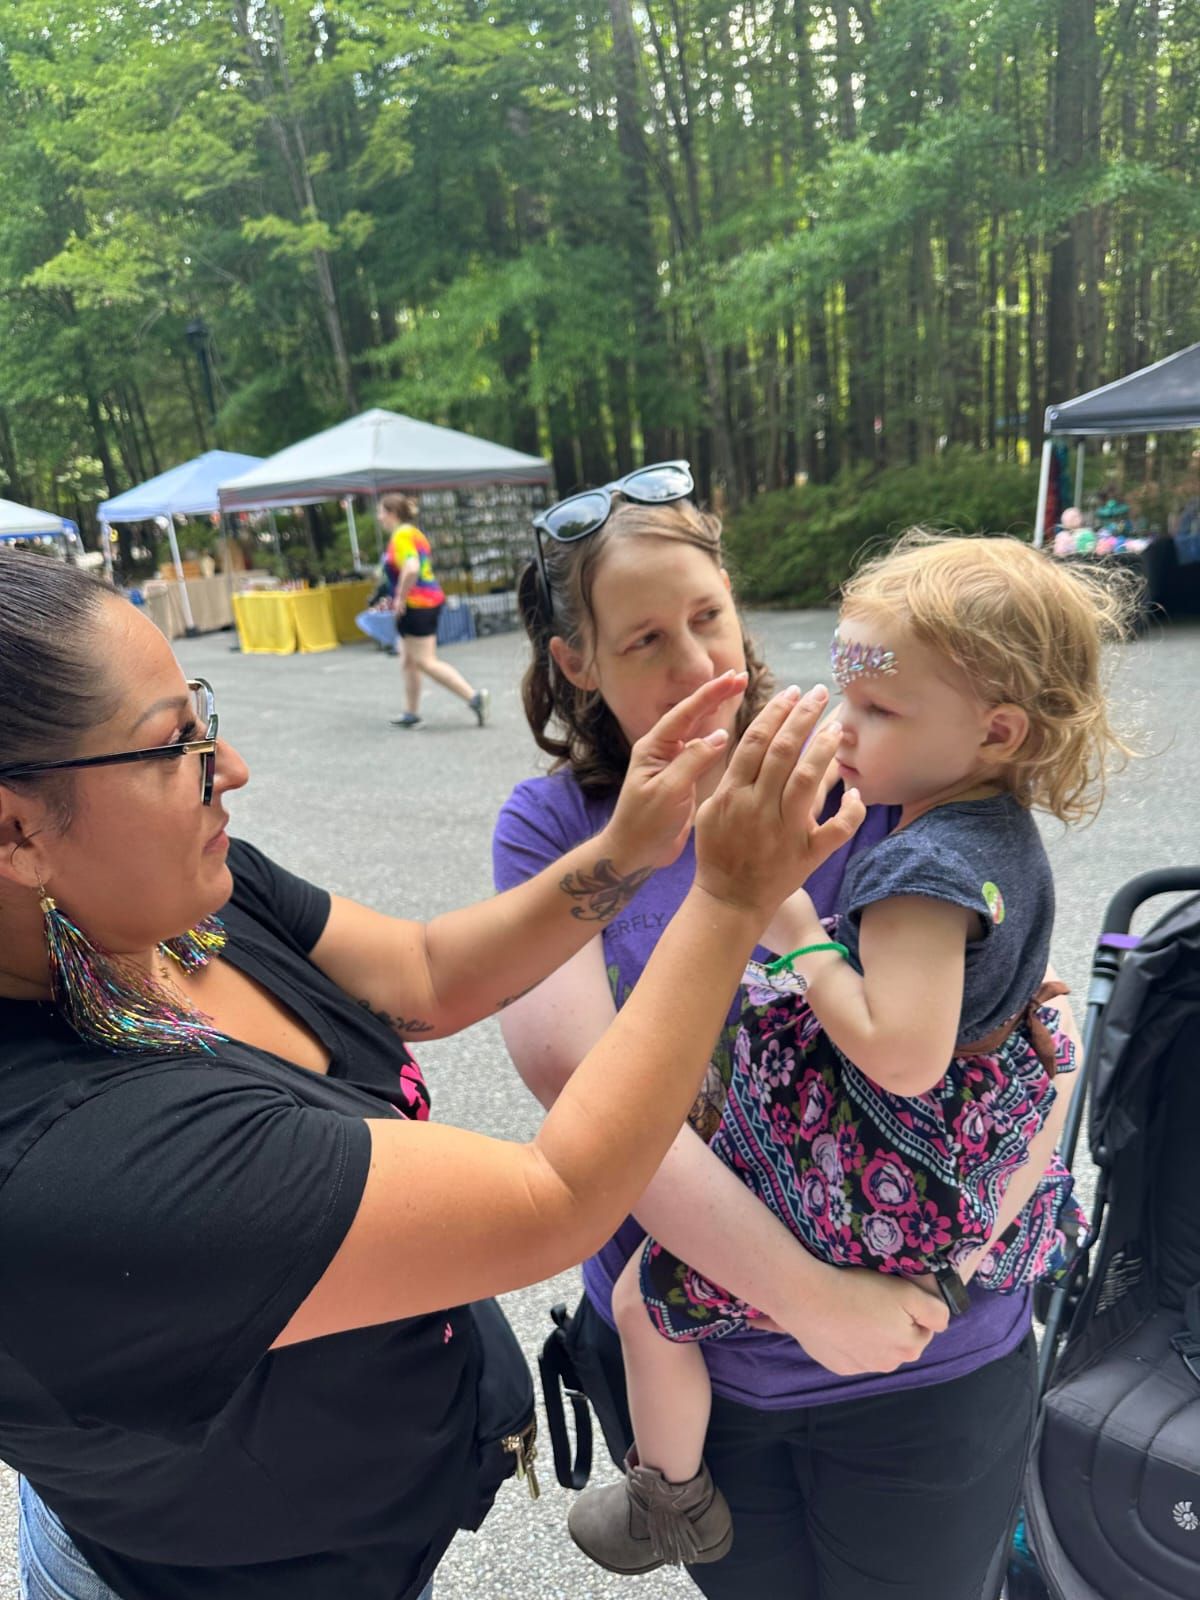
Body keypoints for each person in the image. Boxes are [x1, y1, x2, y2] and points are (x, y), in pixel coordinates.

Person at [0, 546, 861, 1600]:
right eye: (174, 743)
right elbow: (555, 1196)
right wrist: (729, 901)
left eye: (203, 713)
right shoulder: (74, 1161)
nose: (233, 768)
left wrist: (634, 845)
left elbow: (424, 972)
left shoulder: (158, 903)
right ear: (16, 830)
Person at [493, 474, 1088, 1600]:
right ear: (577, 662)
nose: (693, 661)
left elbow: (1032, 1028)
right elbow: (584, 1086)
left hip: (923, 1361)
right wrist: (811, 1298)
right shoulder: (561, 827)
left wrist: (948, 1275)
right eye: (645, 639)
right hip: (715, 1371)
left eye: (708, 615)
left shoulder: (874, 764)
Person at [379, 492, 489, 727]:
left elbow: (411, 567)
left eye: (381, 512)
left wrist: (400, 598)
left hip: (417, 605)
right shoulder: (415, 533)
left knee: (425, 661)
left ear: (392, 513)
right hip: (427, 600)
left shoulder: (401, 535)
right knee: (408, 659)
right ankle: (411, 713)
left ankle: (474, 697)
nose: (379, 518)